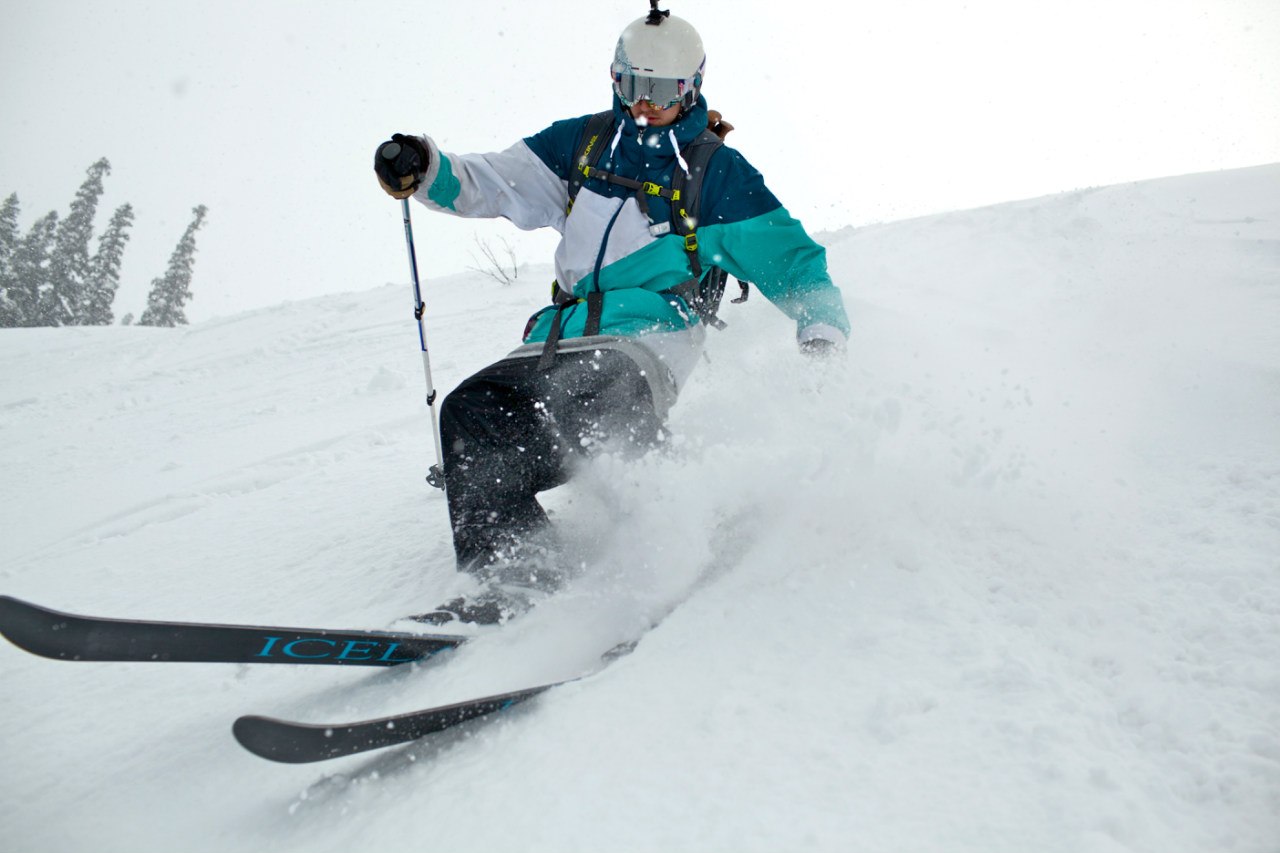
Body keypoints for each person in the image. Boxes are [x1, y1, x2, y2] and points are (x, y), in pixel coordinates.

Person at [375, 4, 849, 624]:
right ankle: (515, 572)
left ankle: (670, 546)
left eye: (661, 91)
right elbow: (492, 180)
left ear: (691, 88)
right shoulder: (585, 144)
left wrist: (821, 332)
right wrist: (427, 168)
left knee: (599, 389)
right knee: (473, 411)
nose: (644, 104)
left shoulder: (715, 175)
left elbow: (797, 266)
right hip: (556, 336)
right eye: (631, 85)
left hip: (647, 338)